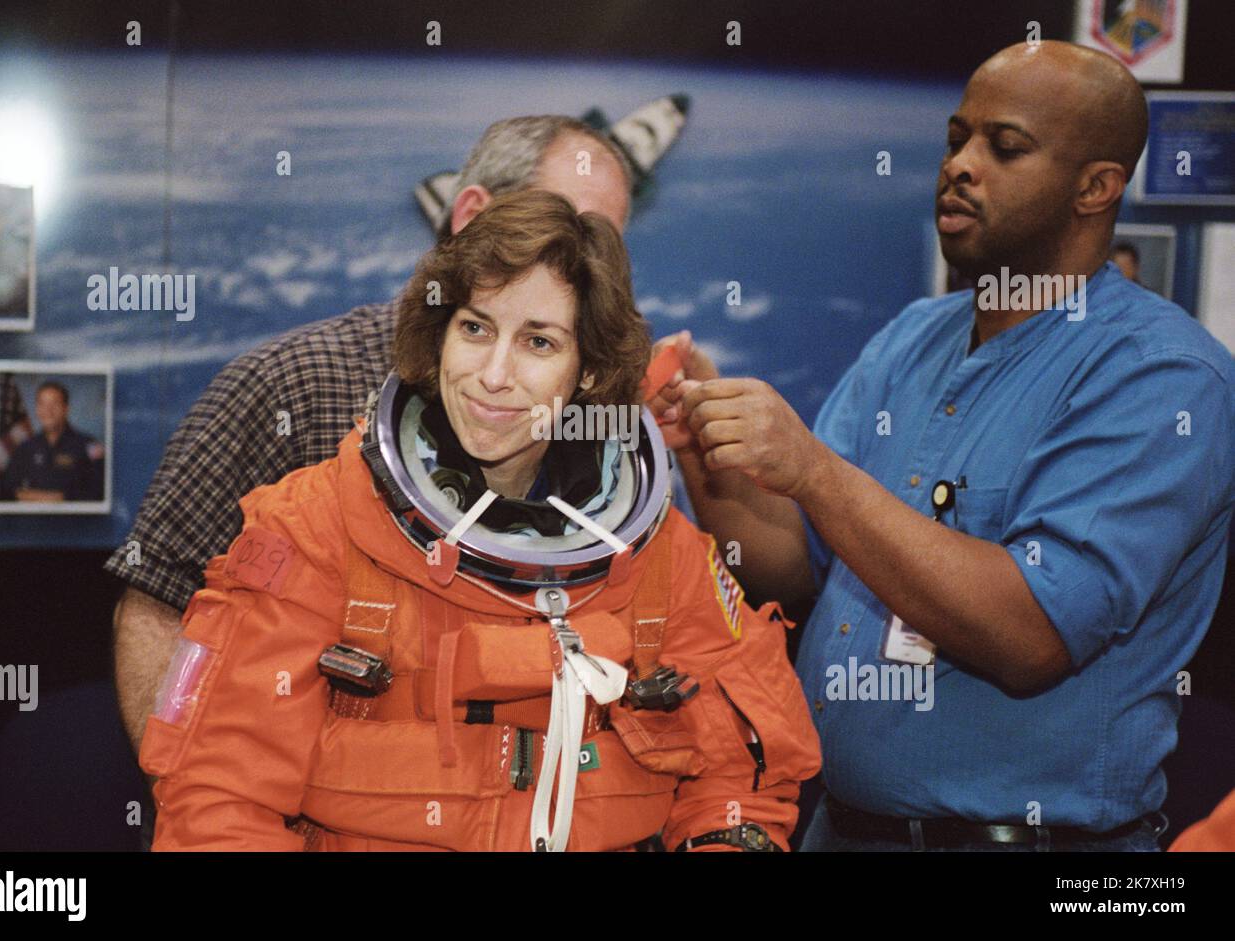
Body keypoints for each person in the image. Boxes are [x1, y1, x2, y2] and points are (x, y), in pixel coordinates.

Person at [652, 40, 1235, 851]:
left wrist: (815, 472)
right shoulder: (911, 336)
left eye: (1003, 147)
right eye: (955, 138)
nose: (959, 165)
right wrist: (707, 454)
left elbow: (1031, 635)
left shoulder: (1163, 376)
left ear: (1096, 188)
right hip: (841, 827)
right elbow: (796, 570)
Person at [141, 190, 821, 851]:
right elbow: (222, 802)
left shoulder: (661, 559)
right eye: (475, 328)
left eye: (539, 342)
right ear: (439, 335)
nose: (494, 375)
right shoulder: (316, 529)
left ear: (587, 373)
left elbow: (742, 784)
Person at [108, 115, 634, 756]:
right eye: (562, 221)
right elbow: (159, 606)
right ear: (471, 218)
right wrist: (196, 797)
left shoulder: (607, 448)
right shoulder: (294, 388)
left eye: (603, 239)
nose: (585, 257)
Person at [0, 381, 105, 503]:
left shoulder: (88, 446)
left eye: (54, 404)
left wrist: (62, 498)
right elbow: (6, 491)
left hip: (75, 521)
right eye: (42, 404)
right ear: (37, 409)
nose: (48, 411)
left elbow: (98, 492)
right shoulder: (24, 448)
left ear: (66, 408)